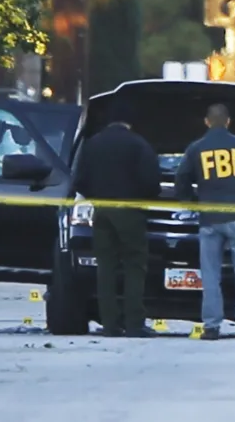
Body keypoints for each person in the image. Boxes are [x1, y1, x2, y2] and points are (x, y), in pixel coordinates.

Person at [175, 103, 235, 341]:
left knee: (210, 274)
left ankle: (212, 326)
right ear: (228, 121)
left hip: (209, 218)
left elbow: (181, 179)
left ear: (207, 122)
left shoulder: (196, 148)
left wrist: (192, 201)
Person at [72, 118, 162, 338]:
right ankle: (134, 323)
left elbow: (79, 180)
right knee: (134, 266)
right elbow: (152, 183)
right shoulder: (139, 144)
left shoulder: (92, 144)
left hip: (101, 211)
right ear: (129, 123)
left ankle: (110, 323)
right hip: (130, 211)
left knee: (106, 267)